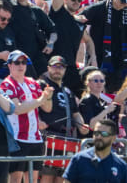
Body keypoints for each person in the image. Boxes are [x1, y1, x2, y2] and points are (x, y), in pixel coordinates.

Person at [1, 50, 54, 183]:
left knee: (33, 179)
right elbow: (17, 109)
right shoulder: (7, 84)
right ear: (9, 65)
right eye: (17, 62)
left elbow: (47, 108)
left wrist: (48, 97)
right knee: (15, 179)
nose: (21, 65)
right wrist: (40, 100)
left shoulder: (33, 82)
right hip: (17, 137)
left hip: (35, 137)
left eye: (24, 62)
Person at [39, 55, 90, 183]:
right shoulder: (41, 85)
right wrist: (38, 121)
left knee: (62, 177)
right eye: (55, 66)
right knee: (46, 176)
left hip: (66, 138)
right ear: (48, 68)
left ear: (65, 69)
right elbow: (34, 108)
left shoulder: (67, 91)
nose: (57, 69)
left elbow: (75, 113)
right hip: (48, 136)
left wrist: (82, 126)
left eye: (61, 67)